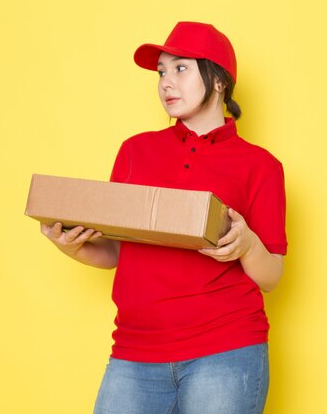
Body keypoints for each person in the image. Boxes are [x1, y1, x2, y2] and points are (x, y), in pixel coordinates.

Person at [40, 21, 287, 414]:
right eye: (161, 73)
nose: (166, 83)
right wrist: (73, 247)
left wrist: (247, 244)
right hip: (134, 353)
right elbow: (118, 253)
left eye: (180, 68)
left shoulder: (260, 166)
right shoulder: (135, 152)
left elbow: (272, 275)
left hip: (225, 351)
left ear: (219, 80)